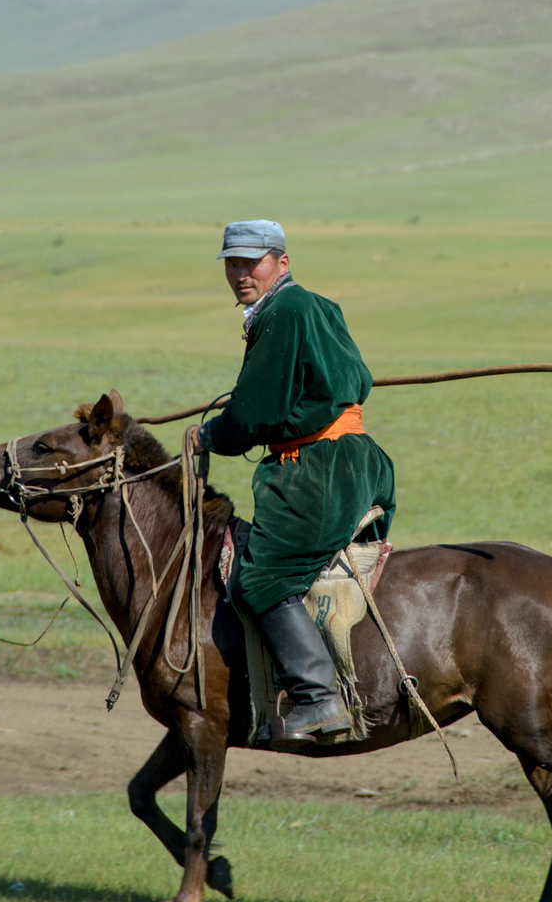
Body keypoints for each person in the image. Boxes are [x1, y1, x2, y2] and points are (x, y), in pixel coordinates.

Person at [196, 220, 396, 748]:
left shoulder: (281, 313)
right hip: (357, 458)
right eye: (231, 264)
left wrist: (210, 435)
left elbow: (254, 417)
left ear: (281, 262)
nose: (240, 274)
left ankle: (317, 698)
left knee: (260, 575)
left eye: (251, 262)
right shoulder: (318, 306)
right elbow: (360, 379)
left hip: (317, 468)